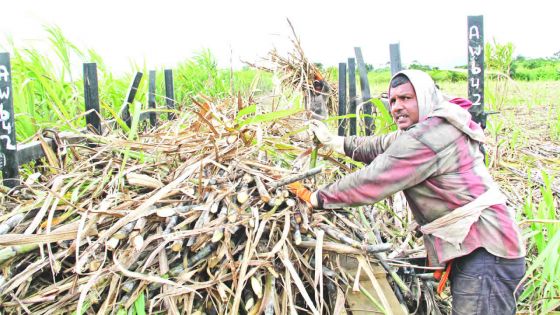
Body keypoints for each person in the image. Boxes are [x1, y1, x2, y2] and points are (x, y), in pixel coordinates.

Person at [301, 70, 526, 314]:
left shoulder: (431, 136)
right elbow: (378, 146)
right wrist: (334, 142)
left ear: (426, 97)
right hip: (473, 246)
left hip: (486, 249)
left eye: (406, 98)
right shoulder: (426, 128)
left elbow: (375, 177)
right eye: (393, 100)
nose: (397, 106)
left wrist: (316, 197)